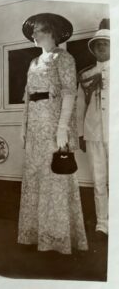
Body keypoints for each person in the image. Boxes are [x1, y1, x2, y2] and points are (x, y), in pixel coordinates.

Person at [18, 13, 88, 254]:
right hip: (36, 127)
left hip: (53, 124)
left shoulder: (64, 58)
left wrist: (62, 129)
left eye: (37, 31)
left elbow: (70, 92)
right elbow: (28, 97)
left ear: (50, 32)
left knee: (54, 177)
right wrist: (23, 127)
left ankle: (58, 238)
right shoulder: (34, 62)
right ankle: (37, 235)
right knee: (36, 177)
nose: (33, 35)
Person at [77, 20, 110, 241]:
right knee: (99, 180)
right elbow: (80, 106)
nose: (100, 47)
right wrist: (80, 133)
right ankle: (103, 224)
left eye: (105, 44)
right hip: (93, 133)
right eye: (96, 45)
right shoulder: (86, 74)